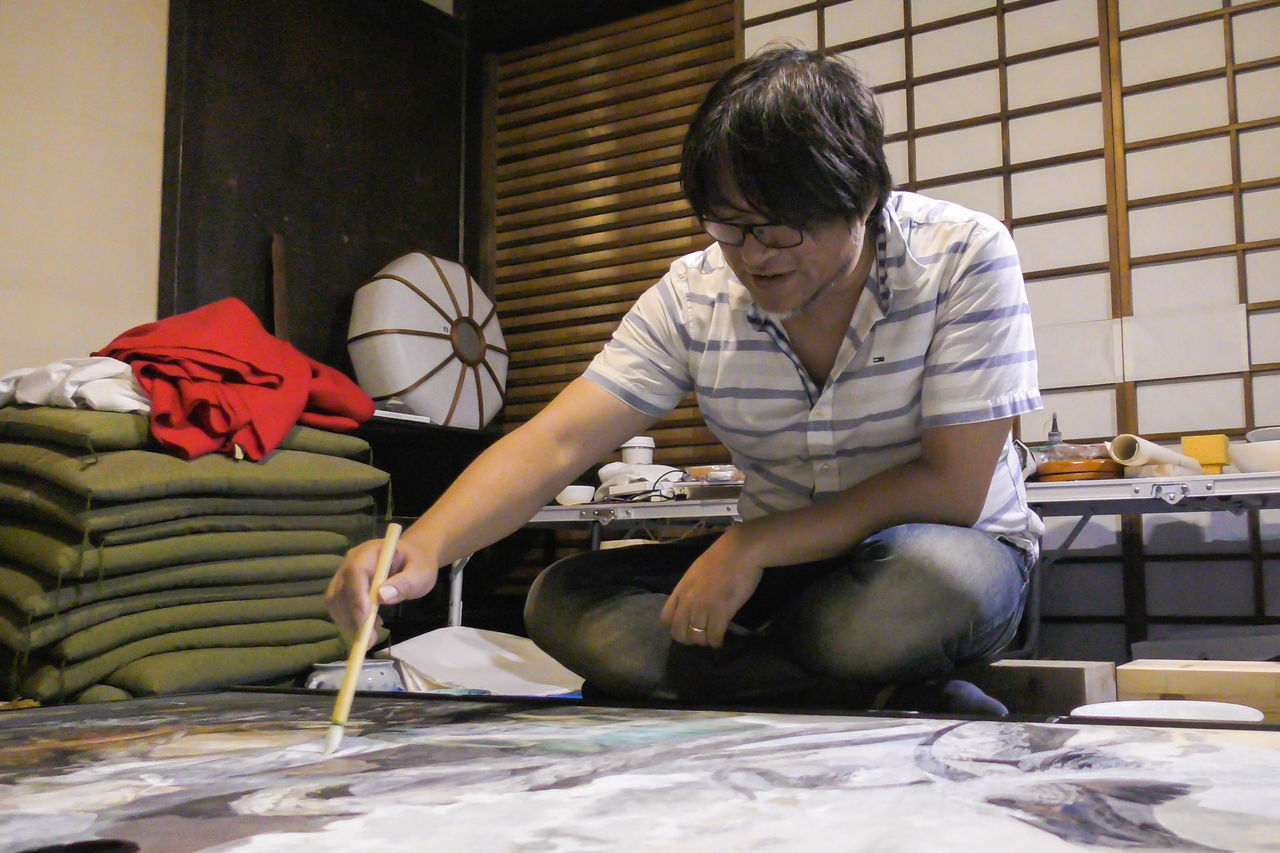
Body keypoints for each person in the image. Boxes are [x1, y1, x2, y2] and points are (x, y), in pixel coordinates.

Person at [327, 47, 1042, 713]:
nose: (752, 256)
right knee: (562, 600)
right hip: (785, 576)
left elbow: (951, 487)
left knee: (919, 585)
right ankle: (877, 697)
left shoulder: (964, 255)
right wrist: (423, 547)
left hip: (947, 552)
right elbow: (558, 443)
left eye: (779, 230)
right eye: (728, 226)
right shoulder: (693, 293)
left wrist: (752, 545)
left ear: (861, 198)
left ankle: (783, 677)